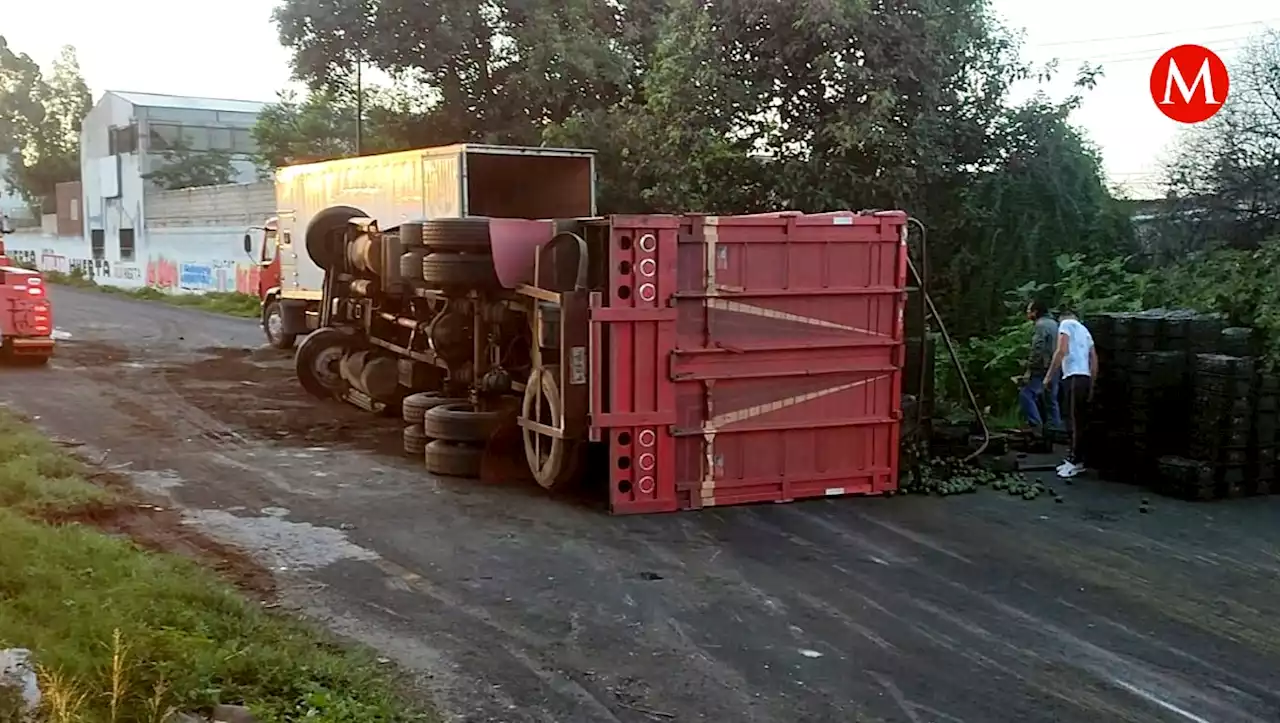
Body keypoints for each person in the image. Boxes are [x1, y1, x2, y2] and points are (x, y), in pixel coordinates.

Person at [1044, 309, 1097, 478]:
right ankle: (1075, 459)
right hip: (1085, 377)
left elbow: (1061, 350)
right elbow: (1094, 360)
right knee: (1080, 420)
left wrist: (1049, 376)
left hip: (1073, 376)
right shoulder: (1085, 330)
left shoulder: (1066, 324)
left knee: (1073, 420)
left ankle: (1075, 462)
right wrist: (1092, 384)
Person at [1018, 299, 1062, 433]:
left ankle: (1035, 425)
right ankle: (1056, 429)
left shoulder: (1041, 325)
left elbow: (1038, 348)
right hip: (1055, 366)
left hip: (1042, 367)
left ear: (1035, 312)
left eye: (1028, 311)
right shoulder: (1054, 324)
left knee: (1026, 394)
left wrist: (1030, 369)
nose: (1027, 314)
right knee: (1051, 400)